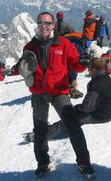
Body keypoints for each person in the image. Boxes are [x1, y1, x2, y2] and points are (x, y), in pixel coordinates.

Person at [19, 11, 95, 178]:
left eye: (47, 23)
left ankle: (84, 163)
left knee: (73, 125)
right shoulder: (30, 47)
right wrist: (21, 70)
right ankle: (43, 163)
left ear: (53, 25)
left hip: (59, 92)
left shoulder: (64, 44)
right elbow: (25, 67)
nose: (43, 26)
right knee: (40, 130)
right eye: (40, 23)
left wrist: (83, 63)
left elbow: (76, 65)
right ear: (37, 25)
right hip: (39, 93)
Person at [26, 57, 111, 142]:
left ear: (94, 69)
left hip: (100, 115)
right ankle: (50, 130)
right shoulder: (106, 79)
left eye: (89, 68)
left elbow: (87, 107)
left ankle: (42, 136)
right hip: (106, 112)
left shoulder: (97, 84)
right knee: (70, 115)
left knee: (71, 119)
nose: (88, 70)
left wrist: (75, 109)